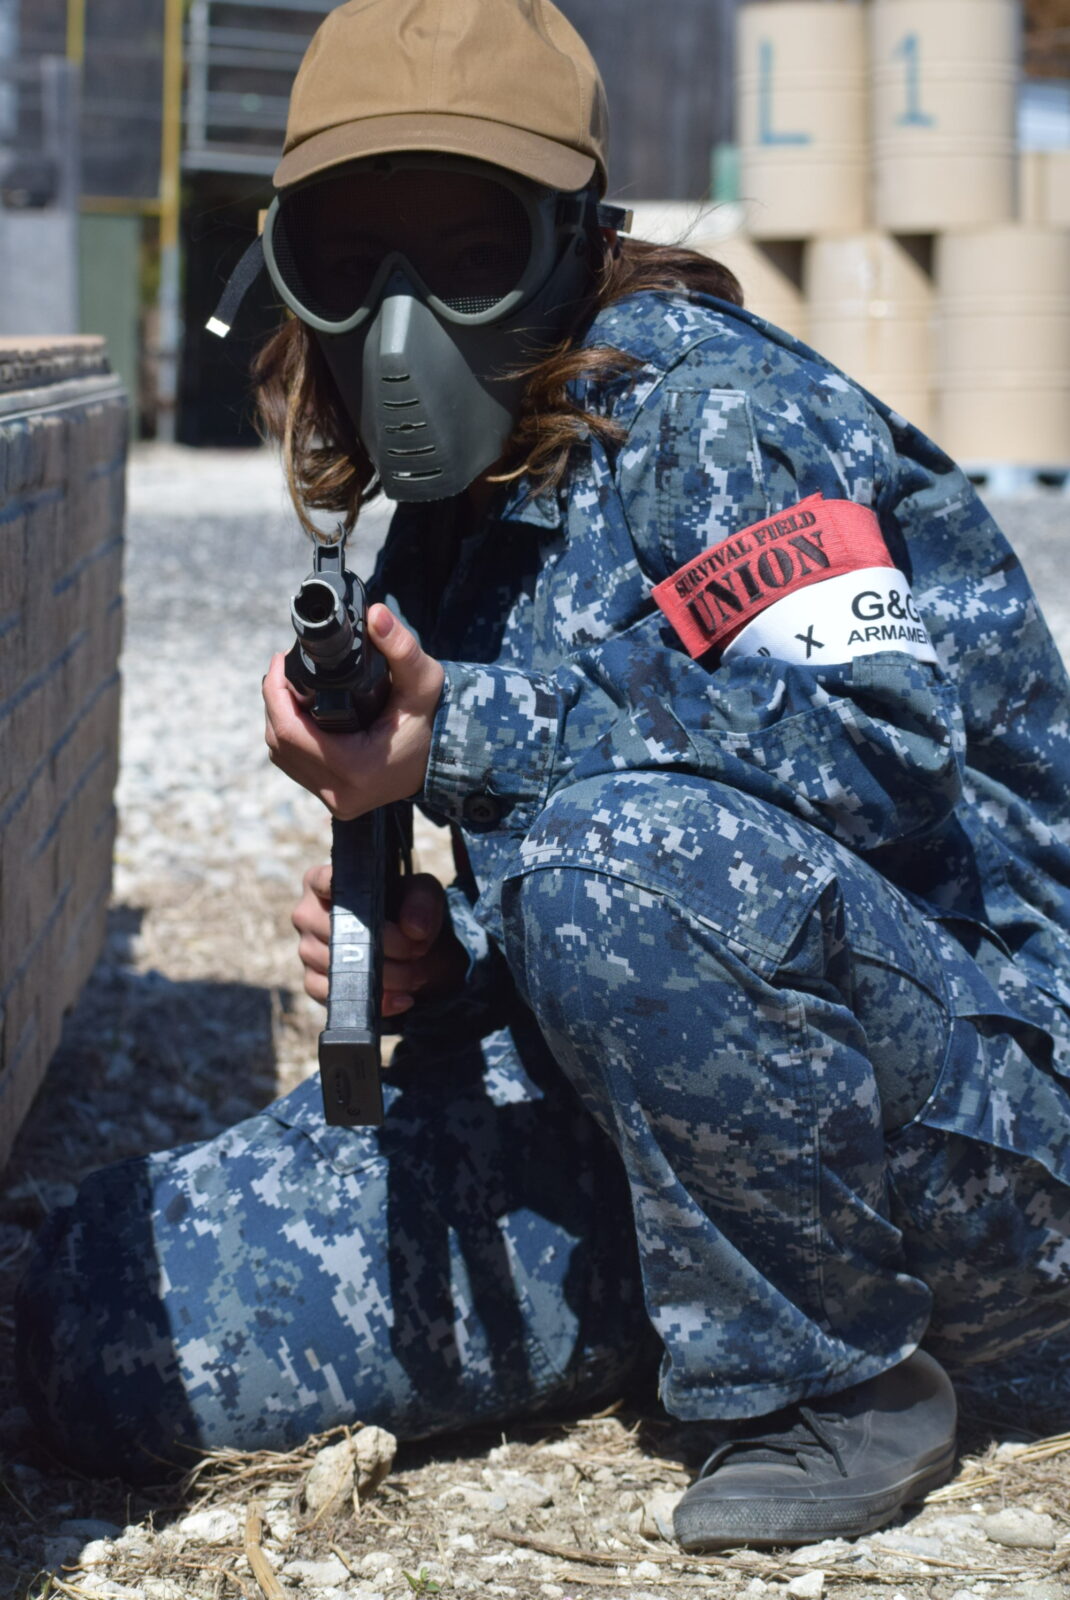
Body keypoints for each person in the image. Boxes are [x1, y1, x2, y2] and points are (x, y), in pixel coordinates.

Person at [16, 0, 1070, 1554]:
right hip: (682, 1131)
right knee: (102, 1319)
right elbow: (648, 916)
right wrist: (441, 966)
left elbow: (876, 754)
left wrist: (464, 737)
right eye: (351, 256)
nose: (400, 316)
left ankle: (834, 1388)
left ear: (577, 239)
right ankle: (700, 1288)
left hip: (983, 1141)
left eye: (466, 249)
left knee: (616, 856)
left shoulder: (719, 416)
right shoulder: (474, 486)